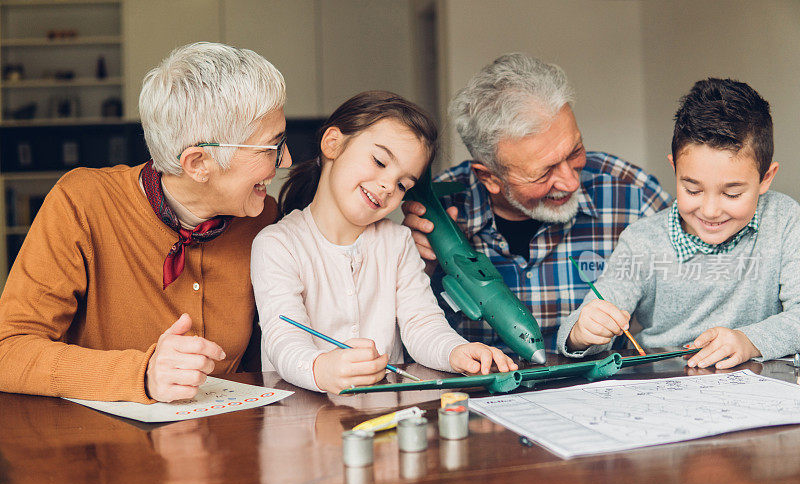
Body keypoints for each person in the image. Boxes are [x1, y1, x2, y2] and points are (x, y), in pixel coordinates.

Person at [0, 42, 291, 403]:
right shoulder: (82, 202)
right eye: (270, 147)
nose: (287, 159)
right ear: (198, 163)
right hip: (97, 449)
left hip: (225, 443)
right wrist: (141, 374)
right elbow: (8, 351)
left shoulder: (262, 218)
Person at [250, 91, 517, 394]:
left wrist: (456, 352)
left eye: (404, 184)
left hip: (385, 423)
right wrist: (320, 369)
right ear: (332, 143)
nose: (389, 186)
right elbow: (282, 337)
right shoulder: (276, 244)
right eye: (379, 161)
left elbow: (423, 323)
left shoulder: (398, 241)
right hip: (302, 423)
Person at [403, 53, 671, 353]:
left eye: (575, 151)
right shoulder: (436, 212)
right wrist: (414, 271)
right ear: (489, 177)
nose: (571, 183)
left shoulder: (632, 194)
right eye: (544, 172)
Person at [557, 78, 800, 369]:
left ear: (766, 178)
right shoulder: (642, 242)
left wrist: (749, 341)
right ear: (674, 168)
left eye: (732, 193)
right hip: (664, 387)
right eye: (692, 190)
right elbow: (577, 329)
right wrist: (582, 333)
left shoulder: (784, 220)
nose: (710, 211)